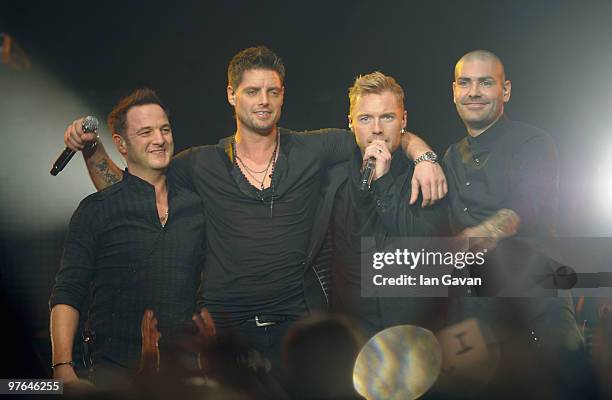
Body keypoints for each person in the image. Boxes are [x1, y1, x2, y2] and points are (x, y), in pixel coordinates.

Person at [62, 46, 447, 369]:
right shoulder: (200, 163)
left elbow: (379, 131)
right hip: (225, 330)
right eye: (251, 91)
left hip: (296, 328)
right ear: (231, 94)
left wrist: (423, 155)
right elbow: (129, 189)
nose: (263, 101)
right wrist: (93, 150)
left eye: (272, 91)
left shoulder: (315, 148)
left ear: (282, 95)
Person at [442, 50, 584, 397]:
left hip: (536, 305)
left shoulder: (533, 142)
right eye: (465, 83)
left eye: (485, 82)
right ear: (454, 92)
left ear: (505, 91)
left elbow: (526, 206)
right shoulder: (448, 156)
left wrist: (480, 233)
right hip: (475, 313)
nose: (474, 92)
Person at [49, 89, 206, 388]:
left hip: (184, 374)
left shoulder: (194, 207)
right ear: (121, 144)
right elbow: (67, 290)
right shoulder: (97, 210)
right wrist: (62, 367)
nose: (159, 139)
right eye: (145, 132)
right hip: (115, 372)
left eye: (165, 129)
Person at [313, 71, 448, 337]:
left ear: (403, 120)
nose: (376, 129)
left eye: (387, 117)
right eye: (365, 118)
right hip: (352, 334)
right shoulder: (332, 178)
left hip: (412, 331)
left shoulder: (424, 175)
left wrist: (384, 183)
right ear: (350, 123)